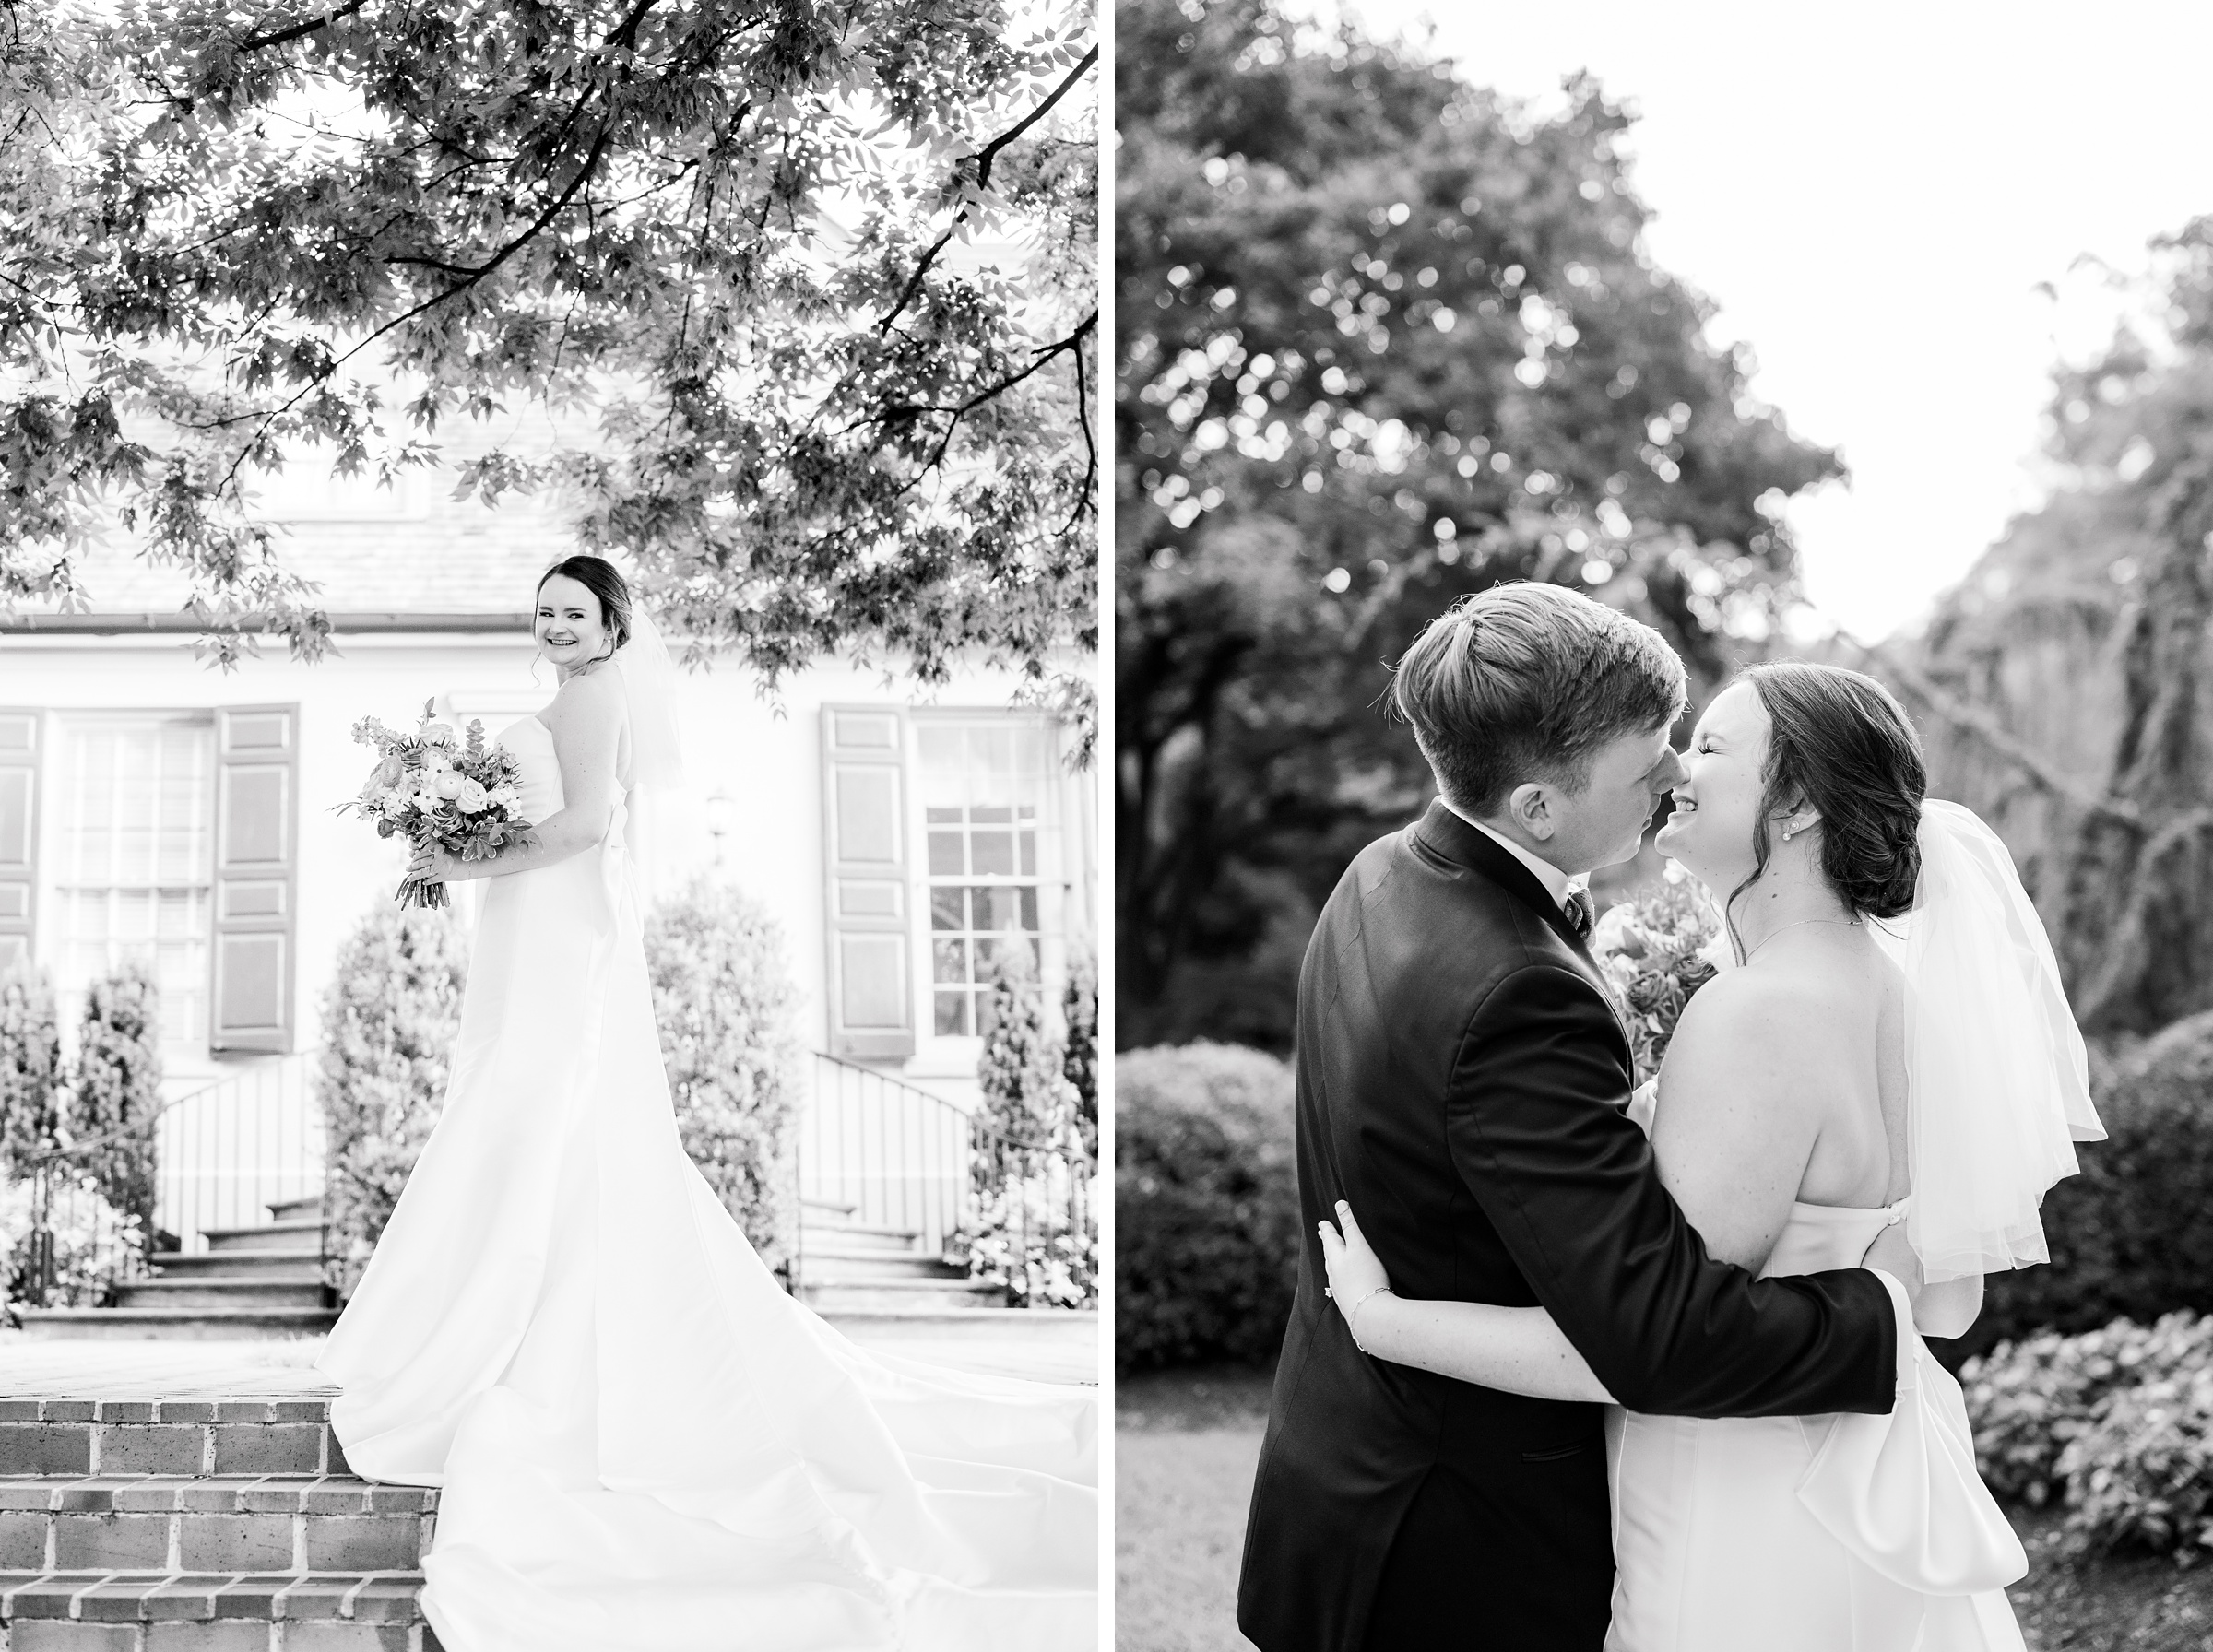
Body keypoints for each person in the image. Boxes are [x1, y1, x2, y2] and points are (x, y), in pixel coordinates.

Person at [313, 556, 1097, 1652]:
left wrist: (461, 855)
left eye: (573, 611)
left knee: (528, 1112)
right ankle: (491, 1311)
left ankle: (489, 1329)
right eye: (544, 611)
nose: (555, 625)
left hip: (554, 918)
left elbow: (585, 827)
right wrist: (460, 831)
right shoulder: (574, 694)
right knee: (518, 1112)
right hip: (533, 926)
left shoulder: (592, 697)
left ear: (610, 622)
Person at [1317, 657, 2102, 1650]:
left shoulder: (1758, 1014)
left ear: (1802, 804)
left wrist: (1388, 1322)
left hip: (1739, 1494)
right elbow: (1924, 1278)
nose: (1679, 763)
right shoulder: (1888, 990)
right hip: (1844, 1465)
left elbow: (1643, 1348)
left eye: (1716, 745)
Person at [1236, 585, 1911, 1652]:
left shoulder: (1379, 878)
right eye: (1648, 758)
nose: (1675, 772)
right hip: (1456, 1555)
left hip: (1342, 1486)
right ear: (1539, 807)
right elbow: (1659, 1336)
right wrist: (1881, 1318)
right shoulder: (1519, 989)